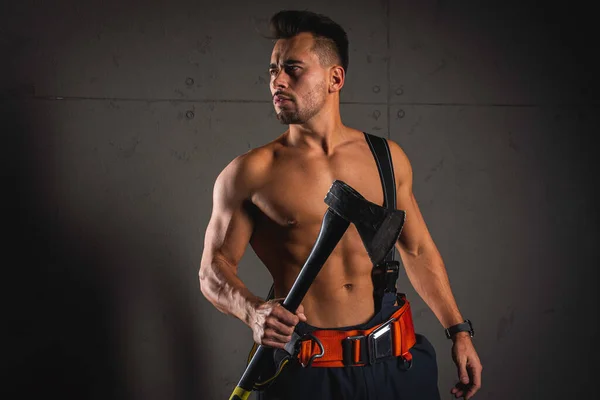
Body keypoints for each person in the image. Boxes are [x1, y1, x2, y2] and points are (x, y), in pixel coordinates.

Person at [199, 10, 482, 400]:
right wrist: (253, 311)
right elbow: (213, 270)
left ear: (335, 78)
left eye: (293, 69)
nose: (277, 81)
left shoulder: (386, 158)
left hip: (397, 366)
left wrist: (459, 331)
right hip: (309, 373)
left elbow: (416, 249)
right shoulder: (250, 173)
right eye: (273, 71)